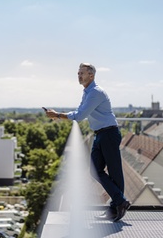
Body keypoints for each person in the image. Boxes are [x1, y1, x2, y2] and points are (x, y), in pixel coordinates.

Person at [45, 62, 130, 222]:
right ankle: (119, 202)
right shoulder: (87, 92)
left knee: (115, 172)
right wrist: (59, 115)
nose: (79, 75)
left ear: (91, 75)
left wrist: (57, 115)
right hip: (100, 134)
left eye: (82, 73)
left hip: (109, 134)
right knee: (94, 169)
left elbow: (80, 115)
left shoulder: (95, 92)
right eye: (78, 73)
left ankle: (116, 206)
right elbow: (78, 111)